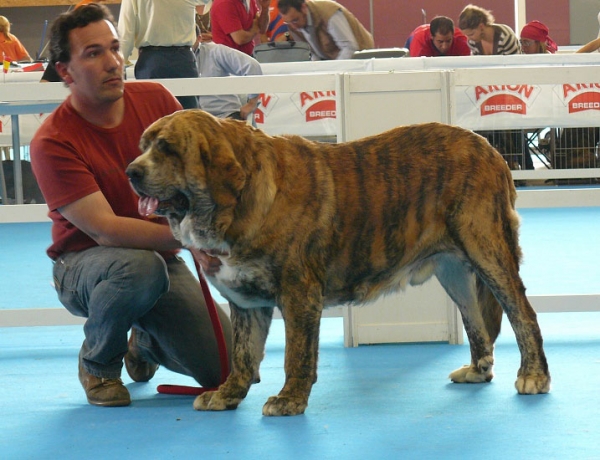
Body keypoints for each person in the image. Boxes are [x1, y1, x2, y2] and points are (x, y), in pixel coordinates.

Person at [29, 3, 232, 407]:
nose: (113, 62)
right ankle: (99, 364)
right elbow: (105, 229)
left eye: (115, 48)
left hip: (159, 255)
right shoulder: (52, 141)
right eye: (94, 53)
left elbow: (202, 172)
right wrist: (191, 239)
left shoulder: (157, 99)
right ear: (65, 72)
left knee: (220, 370)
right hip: (84, 265)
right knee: (139, 269)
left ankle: (146, 344)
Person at [118, 0, 207, 109]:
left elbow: (126, 35)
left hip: (152, 61)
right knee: (188, 118)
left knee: (153, 117)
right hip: (184, 59)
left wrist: (118, 67)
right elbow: (203, 7)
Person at [277, 0, 374, 60]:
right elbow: (310, 53)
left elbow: (349, 48)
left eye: (295, 20)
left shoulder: (329, 14)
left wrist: (331, 72)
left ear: (303, 8)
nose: (294, 27)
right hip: (332, 62)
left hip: (361, 59)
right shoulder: (293, 24)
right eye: (288, 22)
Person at [195, 38, 263, 120]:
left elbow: (252, 66)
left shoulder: (215, 51)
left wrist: (252, 103)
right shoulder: (177, 59)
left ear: (199, 38)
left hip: (226, 116)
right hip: (194, 120)